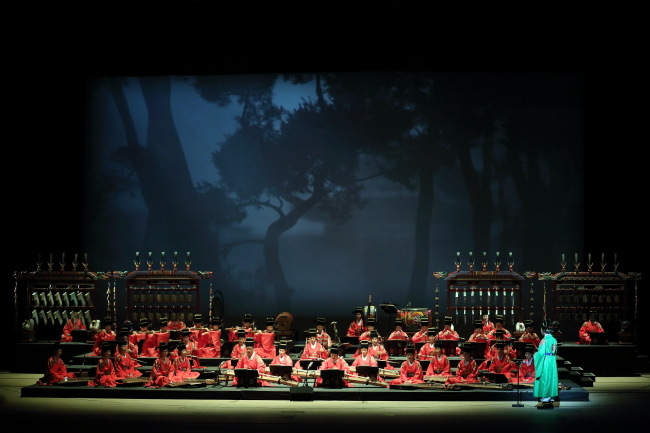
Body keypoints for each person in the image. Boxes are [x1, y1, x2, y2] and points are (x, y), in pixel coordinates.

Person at [534, 328, 558, 409]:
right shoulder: (554, 340)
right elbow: (554, 351)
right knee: (551, 379)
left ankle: (546, 400)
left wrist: (534, 356)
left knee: (545, 379)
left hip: (545, 360)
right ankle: (550, 399)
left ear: (543, 331)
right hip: (552, 361)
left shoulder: (544, 340)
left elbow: (541, 353)